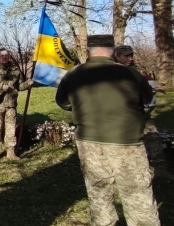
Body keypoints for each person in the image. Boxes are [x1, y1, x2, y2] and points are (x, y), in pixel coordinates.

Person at [56, 35, 160, 226]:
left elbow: (62, 102)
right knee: (136, 194)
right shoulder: (130, 73)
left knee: (99, 192)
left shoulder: (73, 74)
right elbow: (148, 101)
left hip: (89, 141)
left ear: (88, 52)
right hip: (127, 141)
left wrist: (80, 107)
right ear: (113, 52)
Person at [113, 45, 174, 181]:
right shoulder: (112, 72)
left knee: (153, 137)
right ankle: (123, 174)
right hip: (124, 114)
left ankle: (160, 169)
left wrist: (151, 89)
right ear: (117, 56)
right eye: (126, 56)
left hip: (142, 112)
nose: (130, 59)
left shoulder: (134, 71)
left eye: (131, 55)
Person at [0, 48, 32, 160]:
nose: (5, 57)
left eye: (6, 55)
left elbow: (19, 86)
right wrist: (1, 86)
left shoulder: (15, 70)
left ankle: (11, 152)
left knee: (11, 129)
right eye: (2, 55)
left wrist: (27, 84)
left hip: (11, 105)